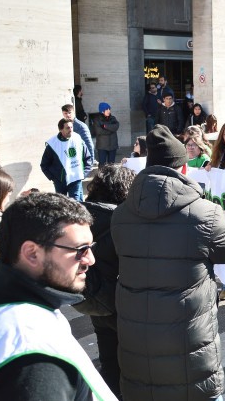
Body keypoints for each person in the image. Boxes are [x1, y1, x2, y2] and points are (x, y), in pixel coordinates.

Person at [112, 125, 225, 401]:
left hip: (136, 348)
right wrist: (218, 211)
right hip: (191, 348)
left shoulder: (121, 214)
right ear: (182, 169)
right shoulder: (203, 213)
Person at [0, 192, 117, 400]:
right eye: (81, 249)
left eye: (91, 247)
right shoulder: (33, 358)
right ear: (32, 253)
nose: (90, 259)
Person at [71, 164, 135, 398]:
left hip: (93, 298)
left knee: (108, 359)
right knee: (131, 363)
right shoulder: (121, 221)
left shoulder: (81, 215)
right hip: (118, 303)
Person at [41, 119, 93, 201]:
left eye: (71, 127)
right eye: (67, 128)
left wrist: (83, 174)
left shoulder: (78, 139)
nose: (70, 130)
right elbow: (44, 164)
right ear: (61, 129)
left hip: (76, 179)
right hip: (60, 181)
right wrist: (53, 177)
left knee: (77, 204)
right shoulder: (53, 144)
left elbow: (88, 158)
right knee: (62, 204)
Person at [94, 102, 119, 166]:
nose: (109, 111)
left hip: (113, 145)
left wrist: (105, 126)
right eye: (107, 109)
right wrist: (111, 130)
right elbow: (99, 131)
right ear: (102, 111)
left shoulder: (113, 118)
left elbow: (116, 126)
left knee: (111, 165)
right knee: (102, 165)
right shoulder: (97, 120)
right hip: (102, 146)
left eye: (109, 109)